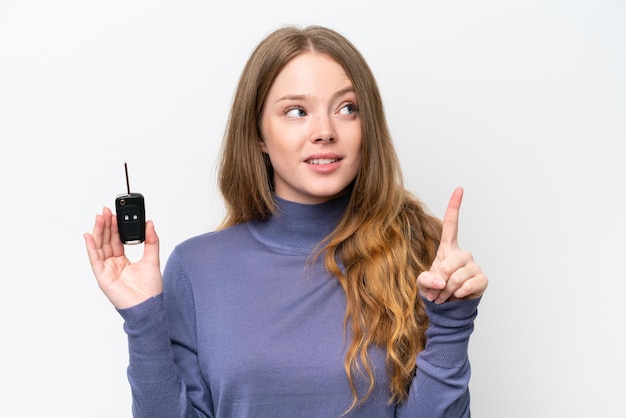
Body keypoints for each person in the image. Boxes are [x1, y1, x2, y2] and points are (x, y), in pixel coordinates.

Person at [84, 25, 488, 418]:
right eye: (296, 111)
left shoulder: (418, 252)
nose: (325, 131)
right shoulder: (195, 269)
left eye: (347, 108)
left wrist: (452, 322)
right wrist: (143, 320)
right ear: (258, 133)